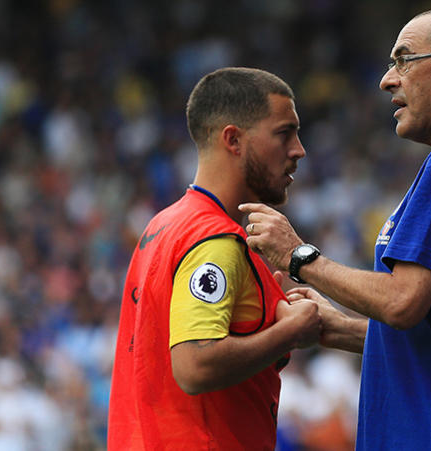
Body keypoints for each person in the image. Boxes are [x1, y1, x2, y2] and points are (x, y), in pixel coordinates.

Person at [240, 7, 431, 450]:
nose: (388, 79)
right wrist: (341, 328)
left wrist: (299, 257)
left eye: (404, 59)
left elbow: (403, 302)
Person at [107, 67, 322, 450]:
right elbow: (195, 365)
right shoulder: (215, 237)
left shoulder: (164, 225)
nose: (298, 150)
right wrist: (290, 332)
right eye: (283, 133)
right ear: (233, 139)